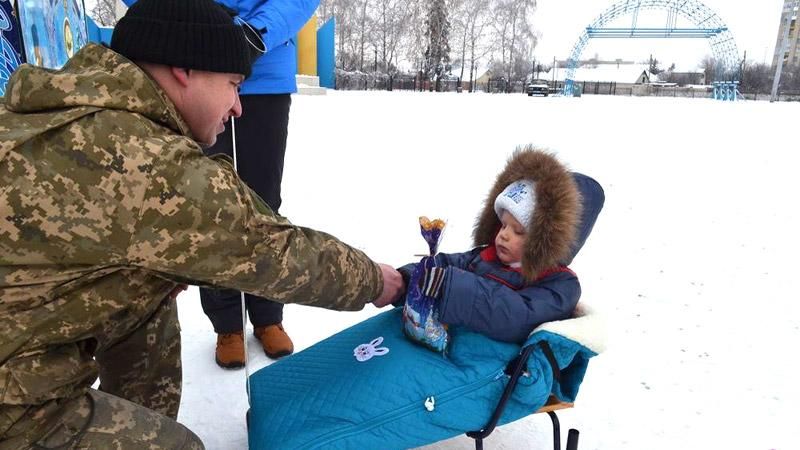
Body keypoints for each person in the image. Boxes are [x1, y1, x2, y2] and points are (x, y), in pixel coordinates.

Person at [0, 0, 402, 447]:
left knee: (146, 294)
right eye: (232, 84)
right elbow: (273, 252)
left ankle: (137, 414)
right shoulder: (141, 160)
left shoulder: (71, 106)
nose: (237, 107)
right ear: (183, 70)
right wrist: (378, 282)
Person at [199, 0, 320, 369]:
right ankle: (226, 322)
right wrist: (195, 21)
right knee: (210, 204)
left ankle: (268, 314)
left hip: (264, 70)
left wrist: (255, 33)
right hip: (198, 65)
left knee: (263, 203)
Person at [399, 147, 604, 343]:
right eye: (503, 224)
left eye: (519, 231)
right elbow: (447, 264)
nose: (503, 235)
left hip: (494, 366)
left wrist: (448, 287)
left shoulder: (560, 286)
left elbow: (516, 317)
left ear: (547, 242)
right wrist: (406, 279)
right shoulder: (485, 257)